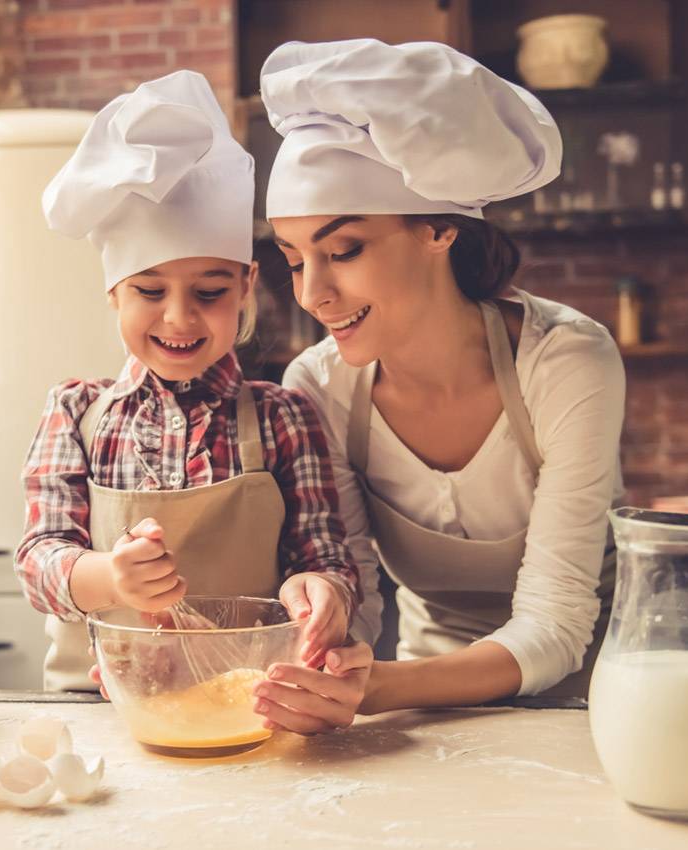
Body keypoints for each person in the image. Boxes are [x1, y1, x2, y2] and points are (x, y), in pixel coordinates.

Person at [248, 39, 626, 734]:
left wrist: (379, 688)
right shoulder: (318, 387)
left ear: (439, 229)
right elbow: (355, 599)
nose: (313, 294)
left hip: (597, 703)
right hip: (425, 712)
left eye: (344, 251)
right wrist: (322, 632)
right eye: (294, 260)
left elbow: (558, 623)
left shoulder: (566, 360)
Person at [15, 70, 360, 693]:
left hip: (245, 704)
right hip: (100, 709)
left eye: (209, 291)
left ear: (246, 287)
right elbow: (40, 559)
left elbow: (324, 556)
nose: (179, 317)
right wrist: (110, 578)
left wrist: (324, 592)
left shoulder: (285, 416)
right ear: (114, 292)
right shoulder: (76, 412)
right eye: (150, 291)